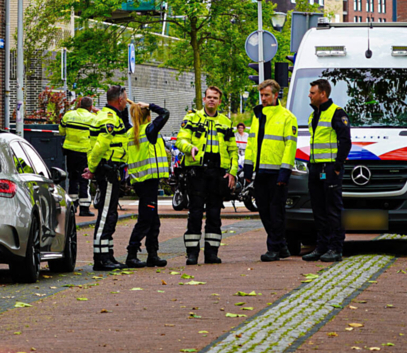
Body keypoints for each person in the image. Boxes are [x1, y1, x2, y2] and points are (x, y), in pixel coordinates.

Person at [177, 86, 238, 265]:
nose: (212, 100)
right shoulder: (192, 118)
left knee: (214, 213)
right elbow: (181, 140)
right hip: (197, 171)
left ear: (220, 101)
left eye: (215, 98)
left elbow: (233, 149)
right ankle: (192, 254)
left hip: (218, 173)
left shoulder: (226, 122)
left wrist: (233, 172)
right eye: (209, 97)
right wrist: (189, 148)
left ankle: (212, 253)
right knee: (195, 212)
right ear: (204, 99)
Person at [243, 80, 298, 262]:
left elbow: (290, 147)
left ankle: (273, 247)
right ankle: (281, 245)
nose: (263, 98)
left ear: (275, 95)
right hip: (261, 172)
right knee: (264, 210)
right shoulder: (257, 116)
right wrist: (248, 168)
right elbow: (252, 144)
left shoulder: (287, 117)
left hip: (277, 172)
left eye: (266, 95)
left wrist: (285, 171)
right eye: (262, 95)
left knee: (276, 211)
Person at [302, 79, 352, 263]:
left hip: (330, 168)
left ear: (323, 94)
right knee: (318, 210)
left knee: (333, 209)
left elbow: (345, 141)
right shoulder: (313, 115)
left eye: (312, 92)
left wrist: (338, 166)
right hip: (316, 167)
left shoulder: (337, 113)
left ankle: (335, 248)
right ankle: (321, 247)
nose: (309, 95)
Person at [84, 85, 130, 271]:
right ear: (119, 100)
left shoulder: (110, 116)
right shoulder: (109, 118)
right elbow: (101, 146)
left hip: (110, 169)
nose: (126, 101)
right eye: (125, 98)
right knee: (106, 215)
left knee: (110, 214)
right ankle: (102, 258)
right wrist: (93, 168)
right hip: (109, 169)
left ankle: (107, 255)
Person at [124, 101, 171, 268]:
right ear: (148, 116)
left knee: (153, 219)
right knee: (146, 219)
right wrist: (150, 105)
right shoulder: (149, 130)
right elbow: (165, 113)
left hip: (139, 181)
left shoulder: (130, 132)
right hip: (149, 180)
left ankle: (153, 254)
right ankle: (131, 253)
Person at [59, 97, 96, 218]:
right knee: (84, 179)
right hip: (85, 152)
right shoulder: (93, 118)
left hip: (70, 151)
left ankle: (73, 206)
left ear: (79, 104)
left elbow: (61, 131)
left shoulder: (68, 115)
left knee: (72, 178)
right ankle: (84, 208)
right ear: (90, 107)